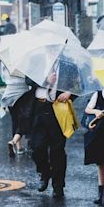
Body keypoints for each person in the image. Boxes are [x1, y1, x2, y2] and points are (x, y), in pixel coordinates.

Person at [26, 69, 74, 198]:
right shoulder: (37, 60)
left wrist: (70, 93)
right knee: (36, 147)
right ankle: (44, 172)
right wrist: (45, 80)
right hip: (39, 108)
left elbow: (77, 84)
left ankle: (58, 186)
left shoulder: (67, 64)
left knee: (57, 150)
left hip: (58, 108)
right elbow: (28, 79)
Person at [0, 67, 31, 158]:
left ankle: (19, 148)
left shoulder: (7, 64)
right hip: (22, 94)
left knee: (15, 121)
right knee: (24, 121)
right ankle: (13, 141)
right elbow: (29, 79)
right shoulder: (24, 64)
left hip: (9, 94)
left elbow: (3, 78)